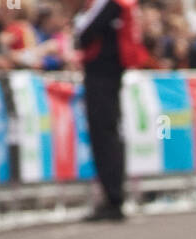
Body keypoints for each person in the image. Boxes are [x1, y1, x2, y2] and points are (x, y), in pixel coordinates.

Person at [74, 0, 139, 220]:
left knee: (104, 135)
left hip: (102, 75)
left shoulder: (111, 5)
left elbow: (84, 35)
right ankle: (112, 195)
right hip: (108, 74)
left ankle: (113, 198)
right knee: (108, 134)